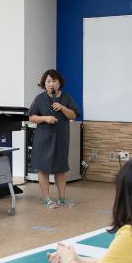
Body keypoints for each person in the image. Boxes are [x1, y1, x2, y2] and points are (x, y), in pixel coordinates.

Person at [28, 69, 80, 209]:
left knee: (60, 169)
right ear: (44, 84)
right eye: (48, 81)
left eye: (54, 81)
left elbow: (74, 115)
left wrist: (62, 107)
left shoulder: (67, 97)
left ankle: (62, 199)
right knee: (43, 169)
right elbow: (31, 117)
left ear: (59, 83)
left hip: (61, 139)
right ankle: (47, 199)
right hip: (43, 139)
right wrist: (45, 118)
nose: (51, 84)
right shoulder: (39, 99)